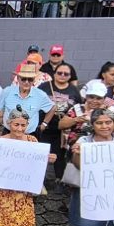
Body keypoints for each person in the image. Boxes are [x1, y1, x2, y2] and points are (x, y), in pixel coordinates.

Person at [38, 63, 82, 192]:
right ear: (54, 74)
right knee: (42, 154)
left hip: (64, 130)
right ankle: (40, 181)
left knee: (60, 155)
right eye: (59, 73)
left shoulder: (74, 90)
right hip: (44, 127)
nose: (62, 76)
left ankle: (59, 180)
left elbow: (78, 107)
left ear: (70, 76)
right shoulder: (44, 87)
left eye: (66, 74)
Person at [0, 65, 55, 136]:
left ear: (34, 80)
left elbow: (52, 107)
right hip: (9, 133)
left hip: (29, 135)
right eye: (24, 79)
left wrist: (44, 124)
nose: (27, 82)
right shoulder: (7, 91)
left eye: (30, 79)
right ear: (18, 79)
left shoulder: (40, 95)